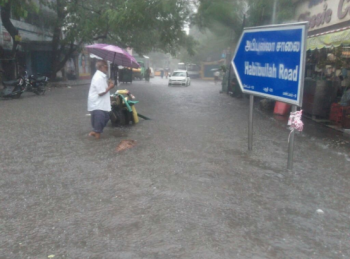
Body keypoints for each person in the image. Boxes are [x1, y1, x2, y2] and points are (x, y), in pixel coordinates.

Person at [87, 60, 114, 139]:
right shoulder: (98, 77)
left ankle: (95, 132)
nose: (107, 68)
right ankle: (96, 135)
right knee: (100, 119)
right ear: (101, 67)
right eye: (106, 66)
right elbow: (101, 92)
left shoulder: (102, 76)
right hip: (97, 103)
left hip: (101, 103)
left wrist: (108, 84)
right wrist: (110, 87)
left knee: (106, 117)